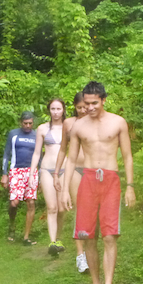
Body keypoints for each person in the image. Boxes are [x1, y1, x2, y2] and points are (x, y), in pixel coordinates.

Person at [61, 81, 136, 284]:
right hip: (88, 180)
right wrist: (64, 189)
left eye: (95, 103)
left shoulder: (118, 122)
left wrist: (130, 186)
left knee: (110, 235)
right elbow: (71, 159)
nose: (90, 108)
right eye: (87, 104)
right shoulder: (79, 127)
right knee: (87, 234)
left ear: (104, 100)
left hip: (111, 180)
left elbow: (128, 156)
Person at [54, 92, 89, 272]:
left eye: (85, 107)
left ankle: (90, 250)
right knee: (80, 210)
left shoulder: (94, 120)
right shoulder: (69, 123)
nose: (83, 110)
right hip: (74, 168)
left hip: (91, 169)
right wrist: (56, 173)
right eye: (79, 107)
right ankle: (80, 255)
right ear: (74, 108)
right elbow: (62, 150)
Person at [28, 99, 67, 255]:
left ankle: (58, 238)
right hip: (46, 169)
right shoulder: (42, 129)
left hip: (64, 170)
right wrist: (32, 173)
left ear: (63, 110)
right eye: (53, 108)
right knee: (52, 207)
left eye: (58, 108)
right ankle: (52, 242)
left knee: (62, 208)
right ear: (49, 110)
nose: (56, 112)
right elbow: (37, 152)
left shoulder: (69, 126)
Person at [1, 111, 38, 246]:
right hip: (16, 170)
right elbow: (6, 154)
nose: (28, 126)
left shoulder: (36, 135)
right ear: (21, 122)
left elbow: (39, 154)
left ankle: (26, 237)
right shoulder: (14, 134)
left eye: (30, 123)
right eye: (25, 123)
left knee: (31, 202)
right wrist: (4, 173)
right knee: (14, 203)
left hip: (31, 171)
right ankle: (12, 226)